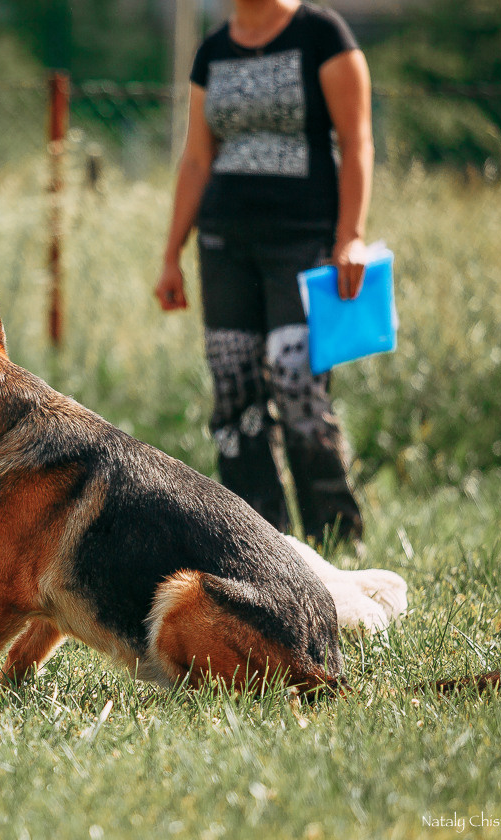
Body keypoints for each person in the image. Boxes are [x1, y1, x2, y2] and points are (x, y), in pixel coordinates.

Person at [155, 0, 373, 546]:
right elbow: (198, 159)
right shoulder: (213, 50)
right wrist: (170, 254)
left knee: (297, 382)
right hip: (223, 244)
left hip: (303, 242)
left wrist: (350, 236)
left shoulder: (321, 33)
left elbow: (356, 141)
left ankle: (336, 539)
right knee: (234, 394)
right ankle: (257, 541)